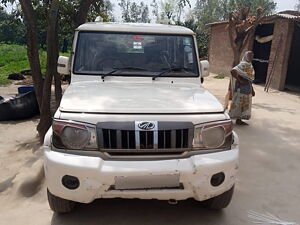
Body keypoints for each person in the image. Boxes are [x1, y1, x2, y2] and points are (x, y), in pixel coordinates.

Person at [228, 51, 255, 125]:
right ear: (246, 56)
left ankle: (239, 120)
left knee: (244, 105)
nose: (251, 57)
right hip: (241, 88)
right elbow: (233, 71)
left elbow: (250, 79)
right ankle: (230, 120)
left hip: (247, 89)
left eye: (252, 56)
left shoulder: (249, 65)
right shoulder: (243, 64)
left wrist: (252, 89)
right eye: (250, 56)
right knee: (238, 104)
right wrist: (240, 80)